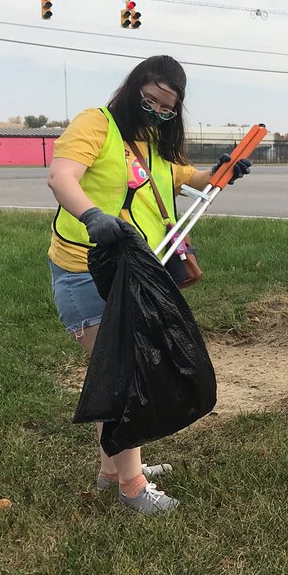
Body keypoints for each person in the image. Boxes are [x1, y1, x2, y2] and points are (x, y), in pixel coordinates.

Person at [46, 54, 250, 514]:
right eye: (151, 101)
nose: (156, 112)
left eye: (167, 109)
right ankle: (132, 487)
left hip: (134, 271)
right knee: (125, 374)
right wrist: (92, 216)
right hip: (86, 269)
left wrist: (220, 172)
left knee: (119, 368)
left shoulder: (153, 141)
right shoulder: (95, 125)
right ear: (134, 86)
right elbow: (61, 176)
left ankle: (109, 471)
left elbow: (183, 177)